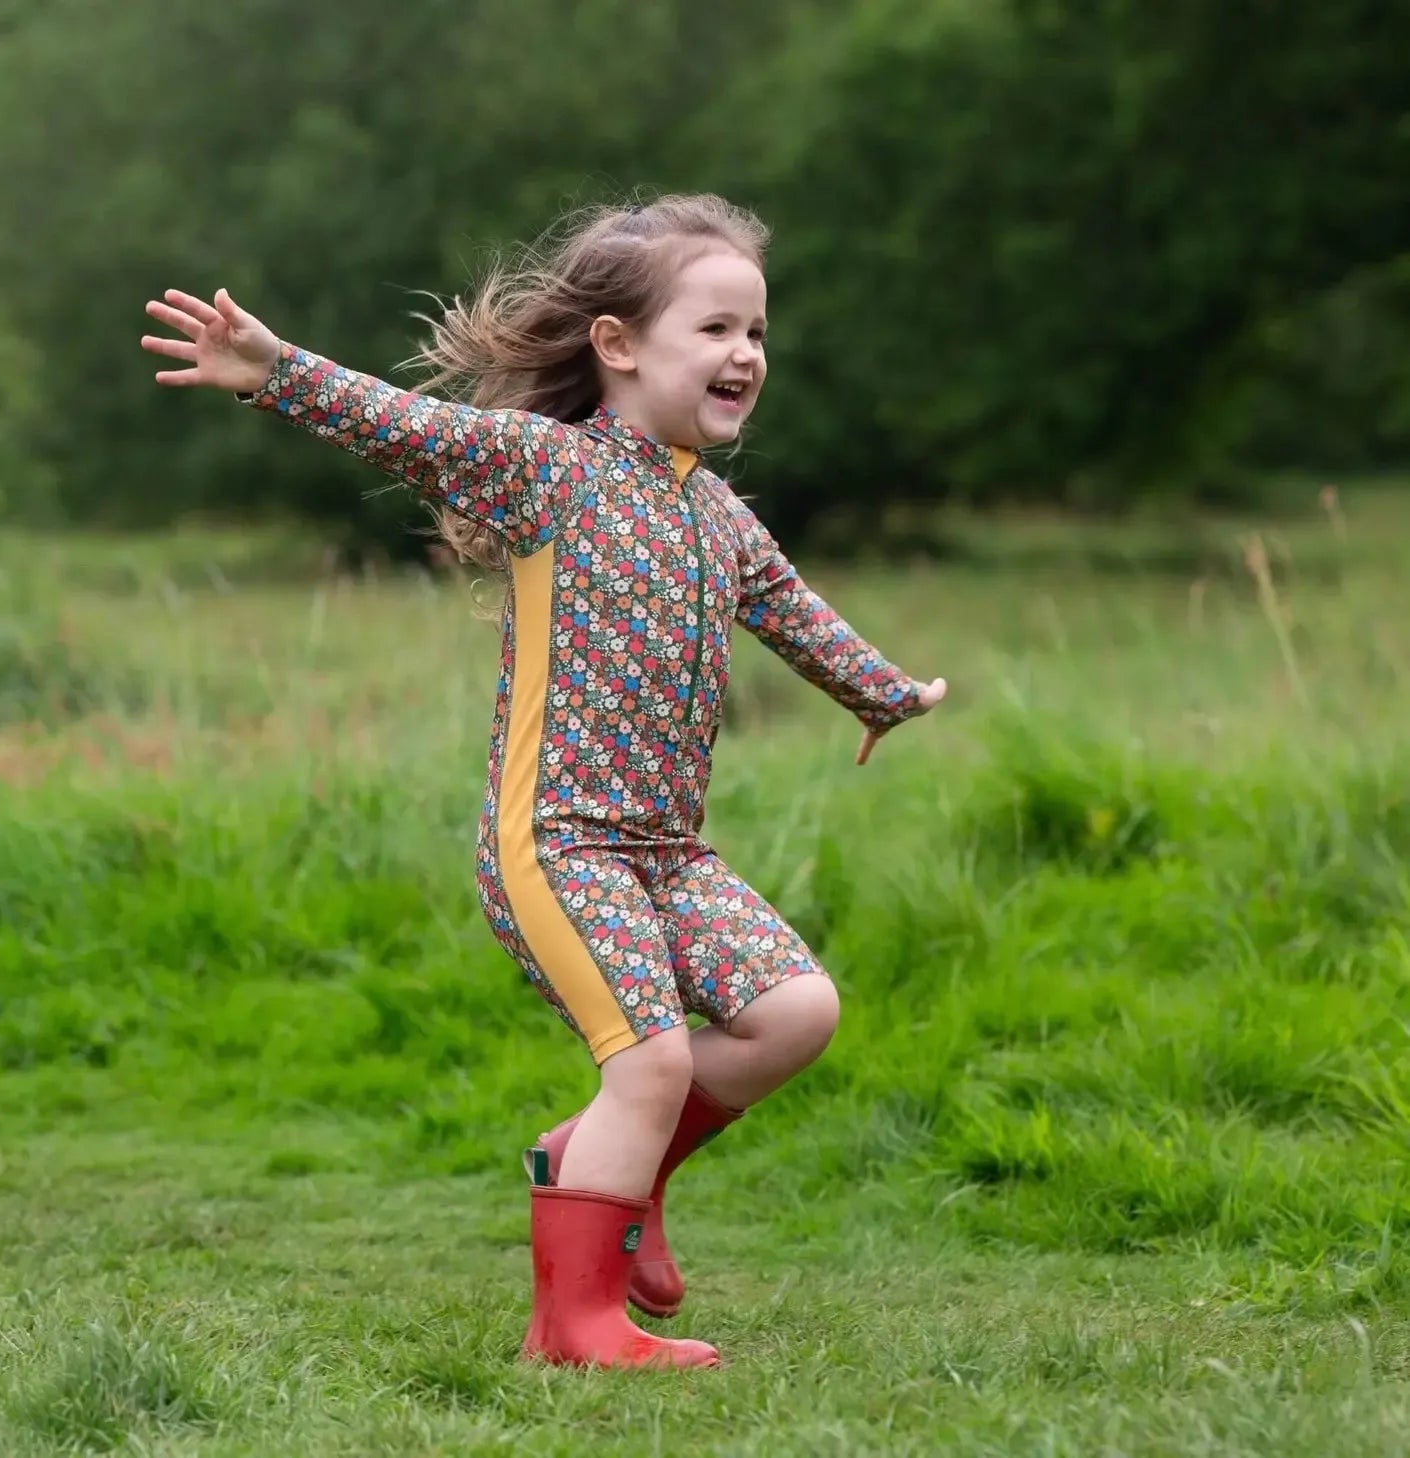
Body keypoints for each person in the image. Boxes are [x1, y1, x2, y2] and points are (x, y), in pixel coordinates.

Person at [141, 194, 947, 1370]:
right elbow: (403, 426)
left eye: (757, 332)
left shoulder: (720, 516)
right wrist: (274, 371)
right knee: (651, 1062)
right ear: (618, 345)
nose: (746, 354)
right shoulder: (546, 469)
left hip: (666, 853)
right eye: (716, 329)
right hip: (556, 844)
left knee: (795, 1014)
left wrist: (883, 693)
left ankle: (607, 1164)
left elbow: (795, 614)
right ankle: (573, 1329)